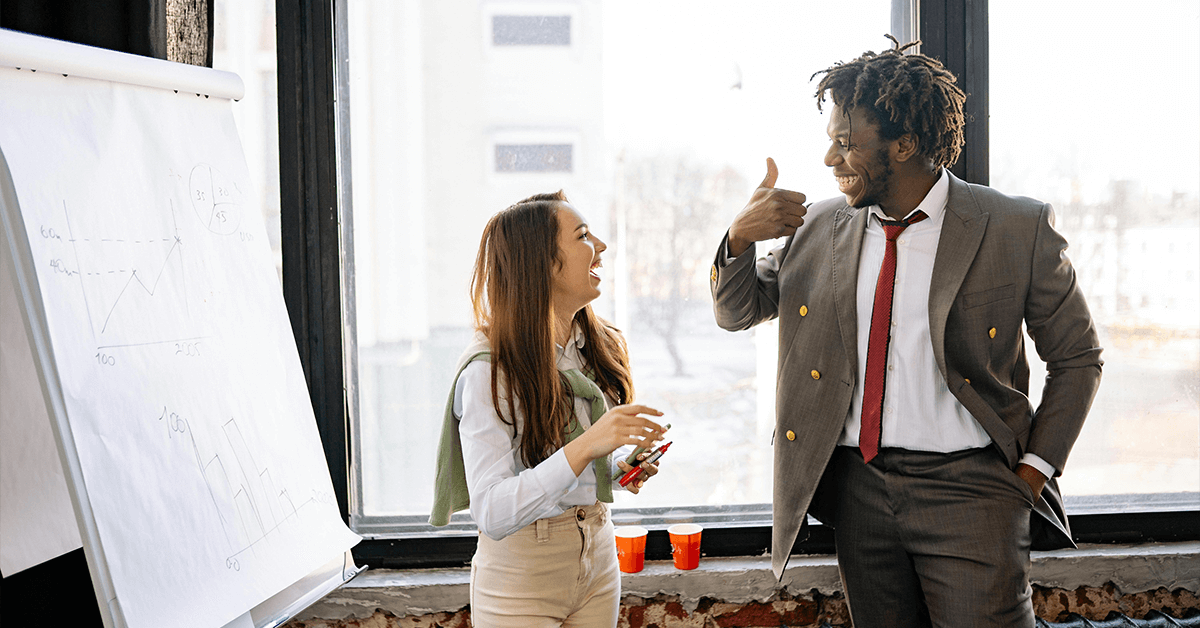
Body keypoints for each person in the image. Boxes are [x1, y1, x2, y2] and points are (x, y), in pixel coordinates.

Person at [710, 37, 1102, 627]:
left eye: (845, 143)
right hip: (858, 489)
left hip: (972, 491)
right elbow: (737, 311)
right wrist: (738, 239)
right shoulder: (819, 225)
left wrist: (1032, 472)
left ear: (906, 145)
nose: (828, 161)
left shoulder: (1014, 226)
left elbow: (1078, 357)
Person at [431, 191, 668, 627]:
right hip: (521, 577)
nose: (601, 246)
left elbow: (568, 467)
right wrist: (588, 446)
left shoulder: (599, 346)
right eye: (582, 236)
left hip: (597, 555)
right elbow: (493, 512)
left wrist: (618, 467)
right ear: (542, 265)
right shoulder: (489, 371)